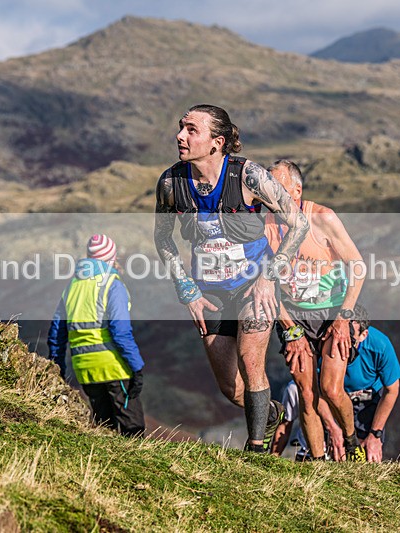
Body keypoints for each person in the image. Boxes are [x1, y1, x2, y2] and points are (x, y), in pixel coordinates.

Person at [154, 104, 309, 452]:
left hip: (254, 284)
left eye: (192, 130)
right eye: (182, 128)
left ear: (216, 142)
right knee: (230, 387)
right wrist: (186, 290)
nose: (180, 135)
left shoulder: (247, 176)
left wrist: (269, 277)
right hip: (209, 292)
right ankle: (269, 411)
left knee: (251, 362)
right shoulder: (170, 183)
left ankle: (255, 454)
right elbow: (162, 238)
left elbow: (299, 223)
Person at [265, 160, 366, 461]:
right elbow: (266, 284)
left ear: (297, 190)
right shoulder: (266, 225)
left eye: (278, 188)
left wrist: (344, 318)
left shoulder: (323, 218)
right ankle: (318, 463)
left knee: (332, 389)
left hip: (331, 311)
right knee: (307, 394)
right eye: (267, 189)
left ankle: (351, 442)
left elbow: (358, 268)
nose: (271, 195)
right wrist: (289, 328)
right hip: (293, 315)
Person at [273, 305, 400, 463]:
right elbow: (315, 391)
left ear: (363, 335)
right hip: (326, 402)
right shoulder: (327, 339)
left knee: (367, 457)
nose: (343, 342)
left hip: (366, 402)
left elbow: (392, 390)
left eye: (350, 337)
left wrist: (375, 434)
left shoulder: (380, 345)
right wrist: (332, 428)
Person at [47, 234, 145, 437]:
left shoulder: (72, 287)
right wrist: (137, 367)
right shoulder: (112, 284)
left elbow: (56, 333)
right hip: (114, 366)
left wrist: (57, 367)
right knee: (132, 429)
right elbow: (120, 332)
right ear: (111, 258)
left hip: (85, 369)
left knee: (103, 429)